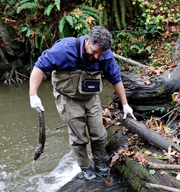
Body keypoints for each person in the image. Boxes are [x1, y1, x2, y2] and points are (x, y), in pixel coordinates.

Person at [28, 26, 135, 180]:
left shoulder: (105, 55)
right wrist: (33, 95)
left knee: (99, 133)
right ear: (87, 41)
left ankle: (99, 161)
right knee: (79, 138)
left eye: (101, 54)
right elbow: (39, 67)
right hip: (68, 98)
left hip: (91, 97)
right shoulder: (64, 50)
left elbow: (116, 78)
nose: (97, 56)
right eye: (94, 52)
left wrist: (125, 105)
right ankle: (85, 167)